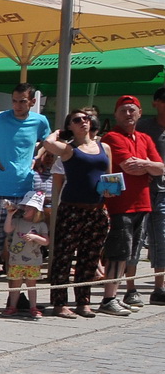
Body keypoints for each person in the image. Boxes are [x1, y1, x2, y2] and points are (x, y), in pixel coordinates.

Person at [0, 84, 52, 315]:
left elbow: (48, 143)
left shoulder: (39, 121)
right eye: (15, 101)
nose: (17, 106)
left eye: (22, 101)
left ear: (32, 102)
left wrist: (38, 156)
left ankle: (14, 298)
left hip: (25, 191)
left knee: (20, 247)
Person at [94, 93, 164, 314]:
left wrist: (144, 163)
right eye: (123, 110)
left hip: (142, 203)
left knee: (131, 252)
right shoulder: (112, 138)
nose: (128, 114)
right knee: (118, 251)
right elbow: (127, 166)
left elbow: (160, 168)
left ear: (140, 113)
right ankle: (107, 299)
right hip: (120, 205)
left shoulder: (145, 139)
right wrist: (148, 166)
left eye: (132, 109)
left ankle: (115, 295)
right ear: (115, 114)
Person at [41, 107, 111, 318]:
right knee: (64, 256)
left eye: (86, 118)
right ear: (70, 126)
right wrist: (59, 132)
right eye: (77, 120)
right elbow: (47, 143)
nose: (83, 122)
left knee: (89, 258)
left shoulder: (104, 147)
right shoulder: (68, 149)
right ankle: (60, 303)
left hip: (97, 209)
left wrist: (111, 191)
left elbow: (110, 176)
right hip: (72, 209)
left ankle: (83, 301)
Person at [137, 87, 165, 305]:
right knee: (135, 240)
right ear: (155, 102)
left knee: (162, 240)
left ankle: (159, 287)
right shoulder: (144, 127)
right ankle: (126, 286)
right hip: (142, 191)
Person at [3, 186, 49, 320]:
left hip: (33, 260)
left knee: (31, 284)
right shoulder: (17, 222)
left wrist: (35, 238)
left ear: (36, 211)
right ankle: (12, 306)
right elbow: (7, 229)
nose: (25, 210)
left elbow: (46, 241)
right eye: (25, 207)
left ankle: (33, 307)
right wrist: (10, 215)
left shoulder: (41, 225)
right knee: (15, 284)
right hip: (17, 259)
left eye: (29, 208)